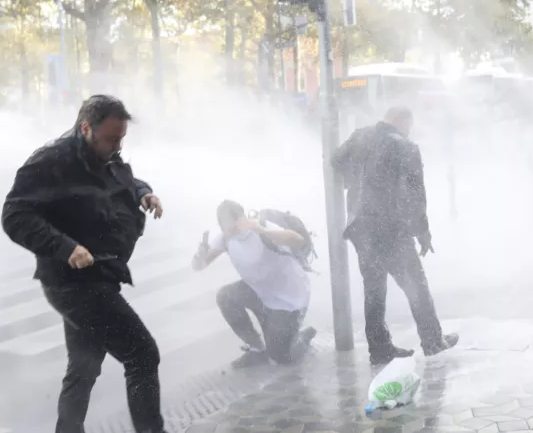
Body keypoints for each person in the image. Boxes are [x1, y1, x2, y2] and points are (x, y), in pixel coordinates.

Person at [1, 95, 173, 433]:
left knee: (83, 368)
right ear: (85, 128)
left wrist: (144, 192)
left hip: (102, 276)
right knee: (142, 354)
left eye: (121, 139)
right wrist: (66, 247)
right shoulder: (50, 161)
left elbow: (121, 178)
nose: (117, 147)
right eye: (111, 138)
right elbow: (15, 216)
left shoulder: (102, 155)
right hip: (73, 284)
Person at [332, 106, 459, 366]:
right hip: (390, 230)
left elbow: (335, 161)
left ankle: (379, 349)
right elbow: (415, 194)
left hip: (360, 229)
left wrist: (354, 181)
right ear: (401, 120)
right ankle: (433, 341)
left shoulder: (359, 136)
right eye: (409, 125)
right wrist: (423, 233)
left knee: (374, 290)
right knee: (416, 286)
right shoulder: (406, 147)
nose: (409, 130)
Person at [192, 200, 316, 368]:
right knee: (225, 296)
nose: (234, 229)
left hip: (291, 299)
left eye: (237, 222)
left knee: (280, 358)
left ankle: (302, 338)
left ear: (242, 217)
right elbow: (199, 266)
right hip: (261, 294)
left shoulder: (261, 226)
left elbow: (298, 240)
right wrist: (199, 258)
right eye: (227, 226)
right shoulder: (225, 238)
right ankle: (257, 349)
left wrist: (261, 230)